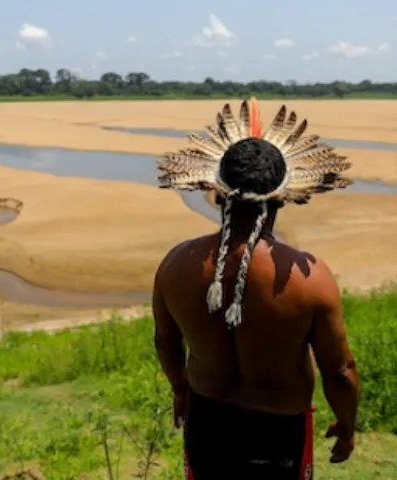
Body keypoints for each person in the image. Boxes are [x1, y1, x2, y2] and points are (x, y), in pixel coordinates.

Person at [153, 97, 360, 479]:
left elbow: (166, 342)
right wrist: (346, 426)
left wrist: (180, 389)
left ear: (215, 192)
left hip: (206, 418)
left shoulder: (176, 264)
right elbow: (340, 371)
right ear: (284, 196)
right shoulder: (310, 278)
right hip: (278, 432)